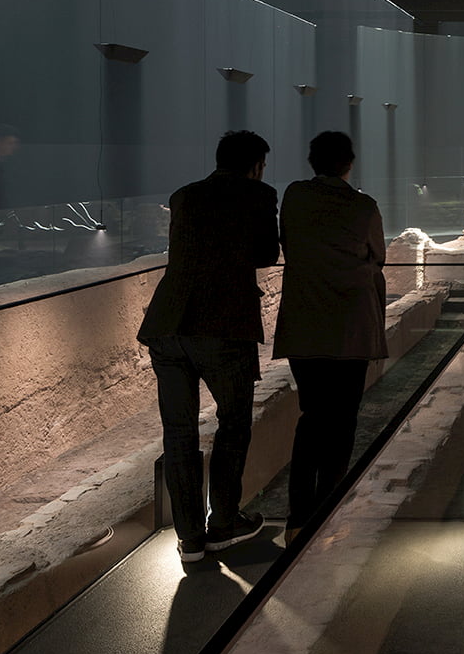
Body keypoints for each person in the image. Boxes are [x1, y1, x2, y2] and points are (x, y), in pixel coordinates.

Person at [137, 130, 279, 563]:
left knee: (178, 433)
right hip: (223, 326)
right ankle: (223, 524)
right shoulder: (258, 194)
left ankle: (190, 539)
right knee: (233, 424)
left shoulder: (184, 196)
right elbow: (267, 254)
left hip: (166, 325)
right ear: (255, 165)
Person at [273, 131, 388, 543]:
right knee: (343, 421)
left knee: (312, 418)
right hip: (352, 326)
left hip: (305, 325)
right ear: (349, 163)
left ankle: (297, 518)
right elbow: (379, 255)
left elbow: (287, 242)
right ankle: (328, 512)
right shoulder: (363, 206)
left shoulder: (296, 197)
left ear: (312, 161)